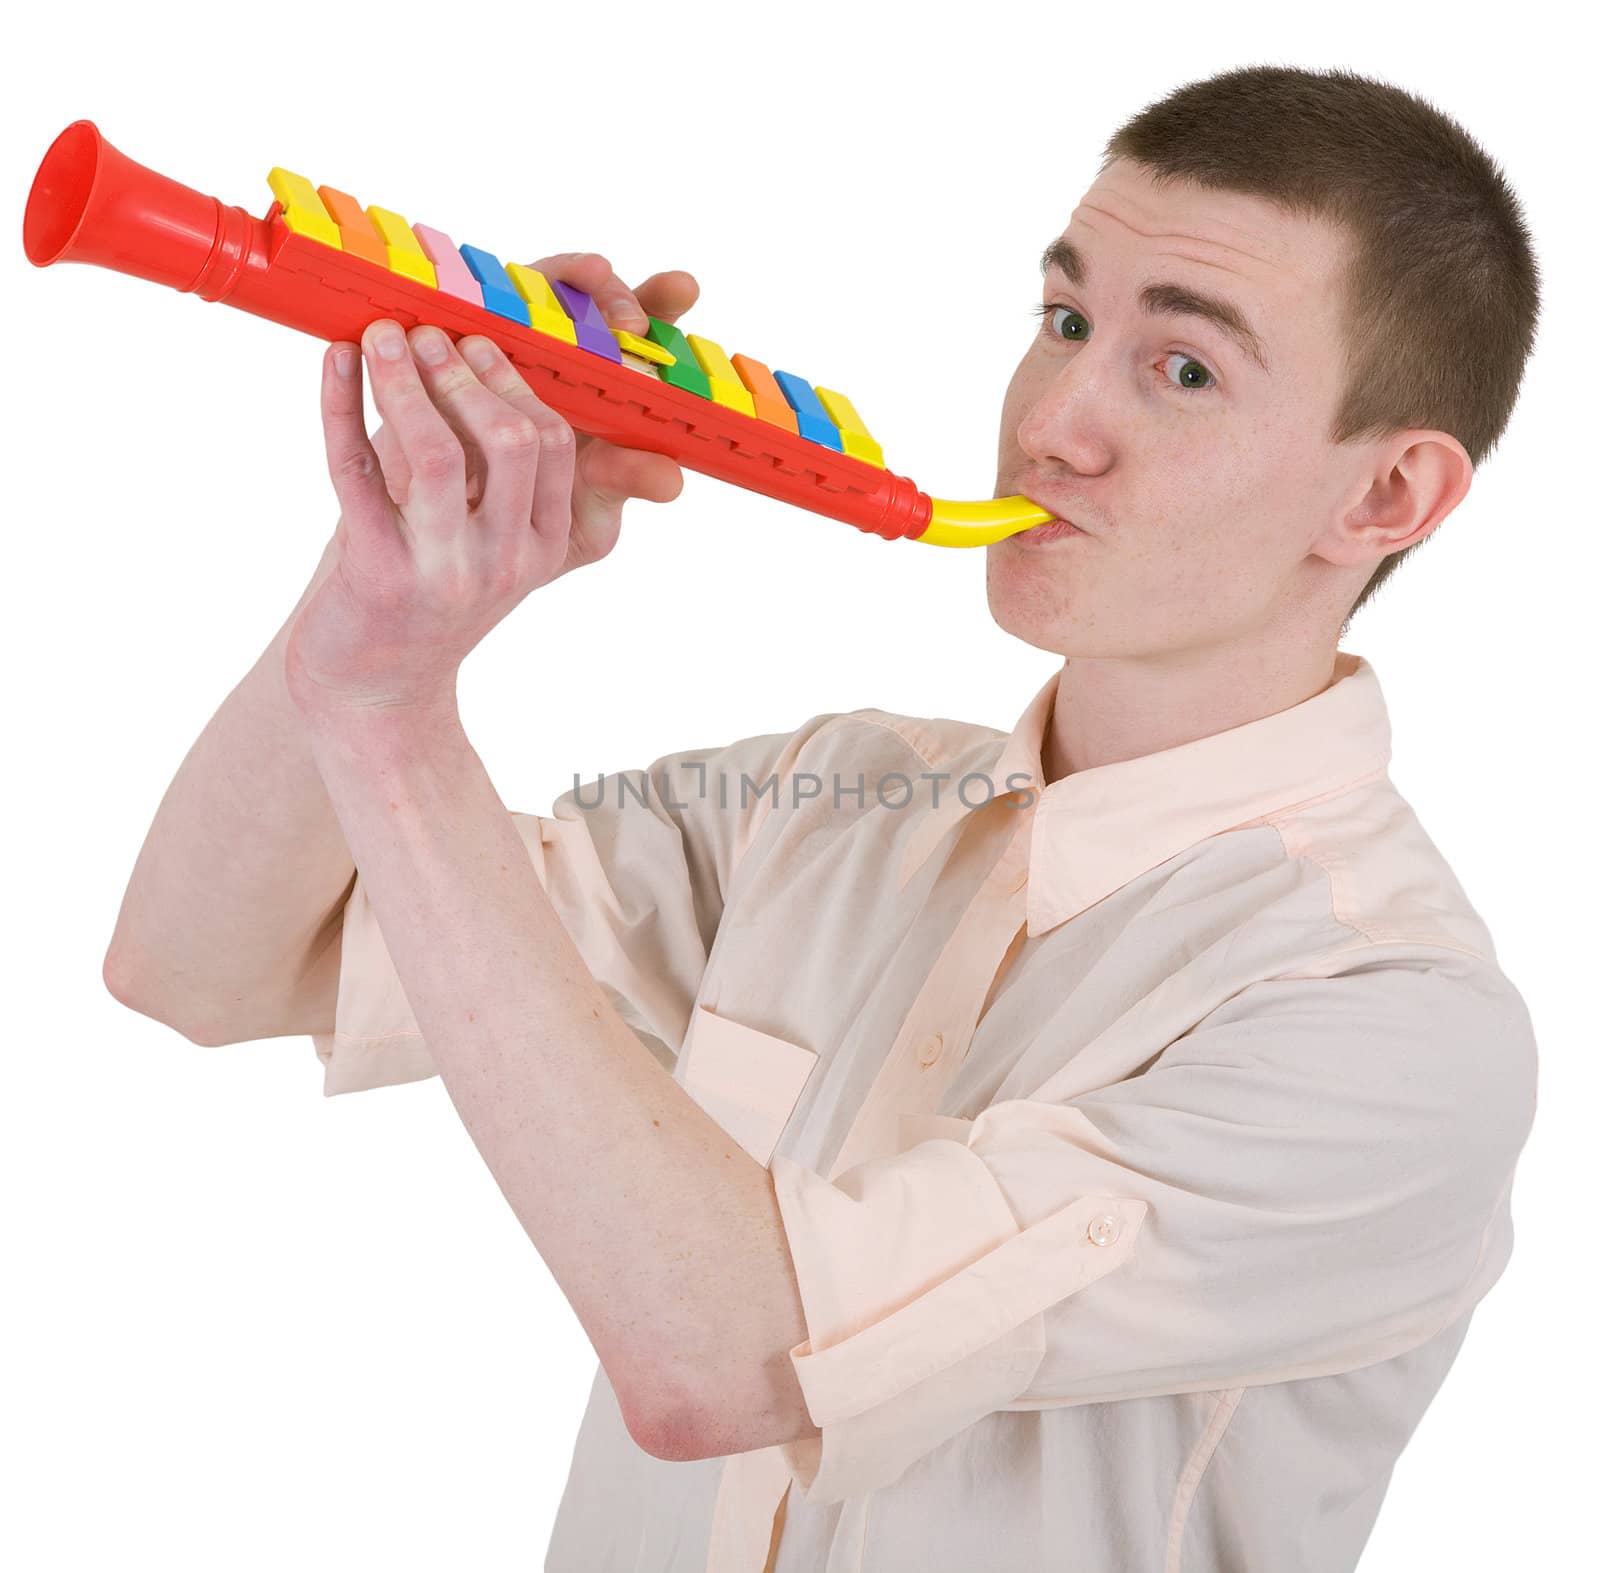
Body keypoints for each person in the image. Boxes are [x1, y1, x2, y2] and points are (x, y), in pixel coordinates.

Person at [102, 63, 1541, 1573]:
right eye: (1064, 322)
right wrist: (377, 599)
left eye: (1181, 369)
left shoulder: (1394, 1028)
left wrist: (394, 720)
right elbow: (205, 966)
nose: (1053, 422)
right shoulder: (829, 797)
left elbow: (727, 1360)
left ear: (1385, 496)